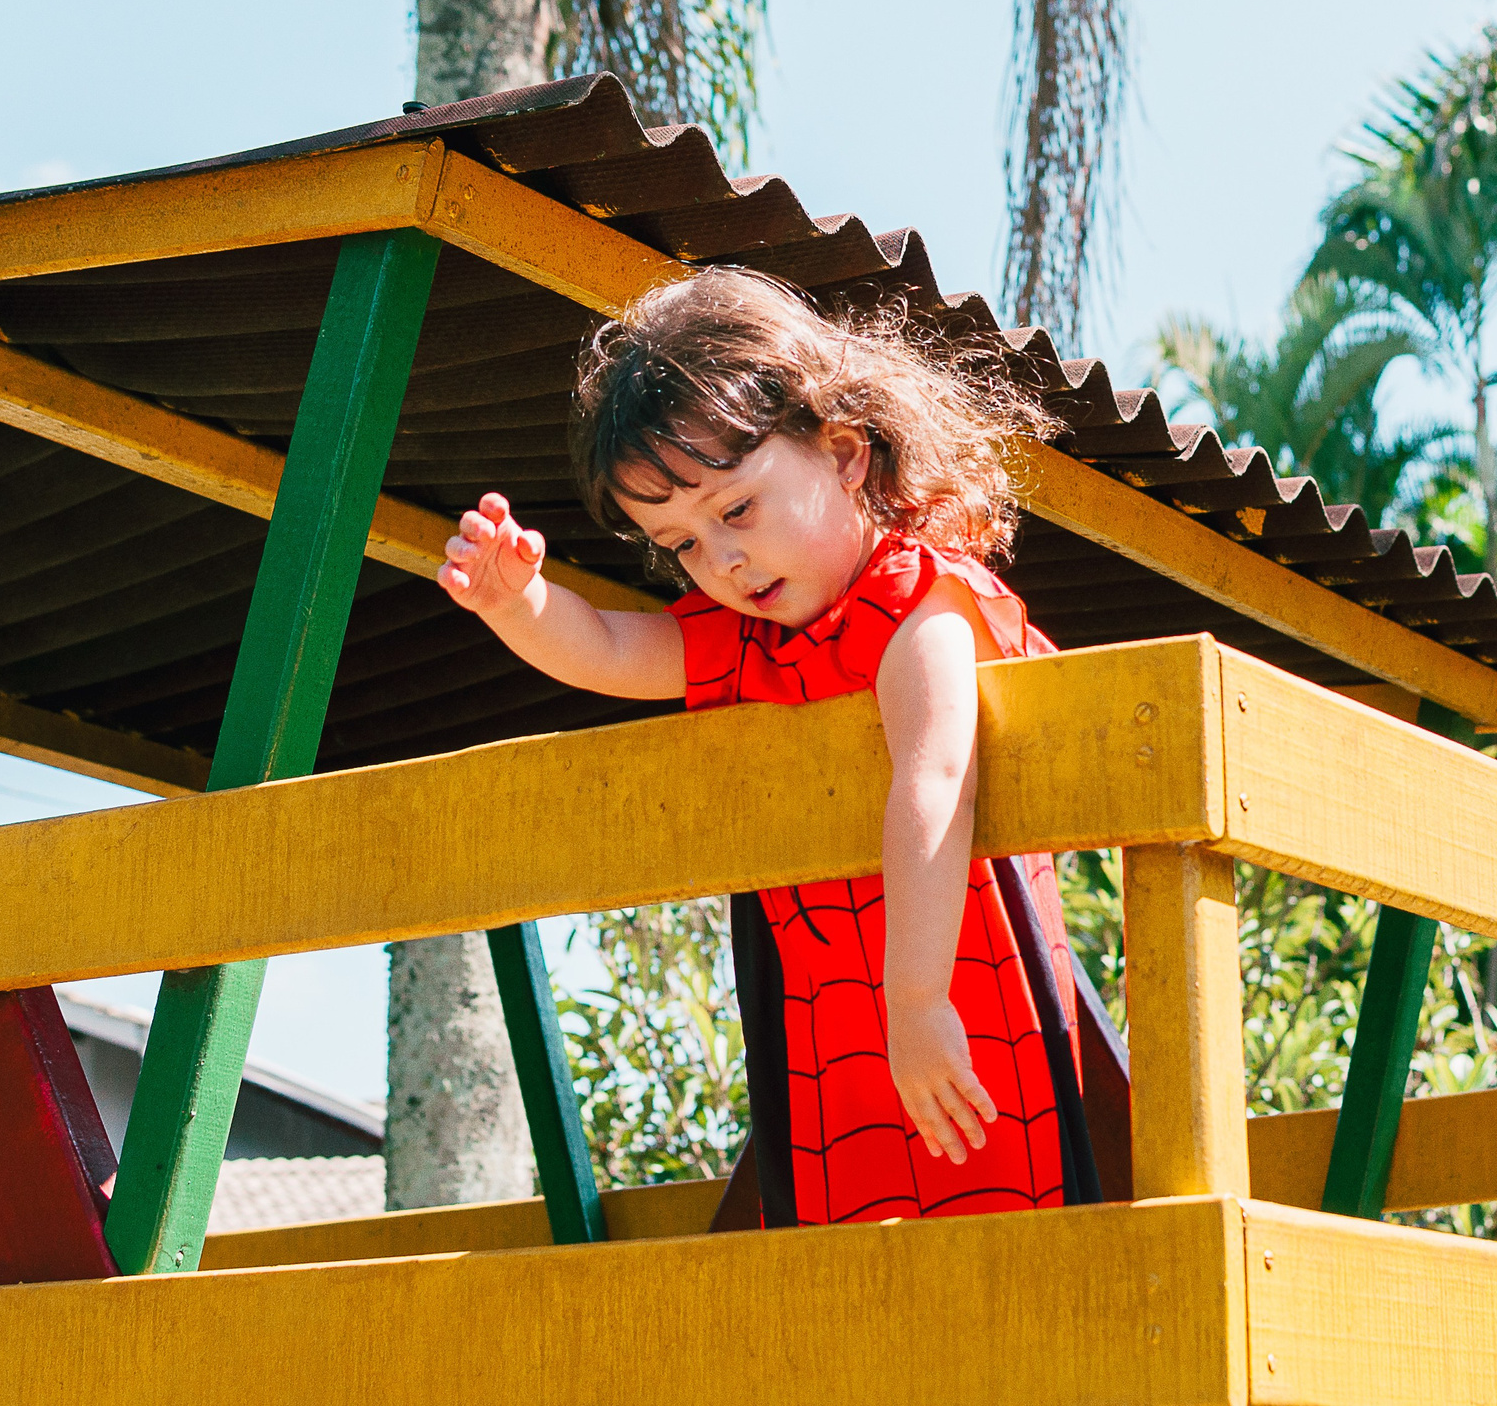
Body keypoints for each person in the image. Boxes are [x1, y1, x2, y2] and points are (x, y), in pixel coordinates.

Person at [435, 265, 1089, 1225]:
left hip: (961, 1020)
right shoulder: (749, 642)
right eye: (684, 543)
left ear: (847, 453)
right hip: (834, 1051)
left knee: (1017, 1270)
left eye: (735, 510)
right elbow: (613, 648)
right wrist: (516, 601)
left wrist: (912, 1004)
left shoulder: (923, 603)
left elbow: (935, 775)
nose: (723, 561)